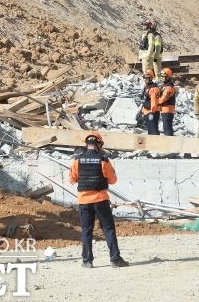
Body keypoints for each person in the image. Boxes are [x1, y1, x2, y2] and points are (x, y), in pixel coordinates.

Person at [69, 132, 129, 268]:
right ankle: (115, 259)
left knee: (86, 230)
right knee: (108, 229)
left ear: (86, 144)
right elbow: (113, 181)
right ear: (99, 144)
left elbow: (72, 179)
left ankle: (87, 261)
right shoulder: (103, 160)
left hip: (84, 200)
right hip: (100, 199)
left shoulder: (77, 160)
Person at [141, 69, 161, 135]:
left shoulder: (154, 88)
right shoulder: (146, 87)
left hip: (152, 112)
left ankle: (156, 144)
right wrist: (143, 110)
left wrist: (152, 113)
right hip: (147, 111)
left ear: (150, 78)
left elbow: (154, 102)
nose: (144, 80)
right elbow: (145, 99)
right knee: (150, 131)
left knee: (153, 132)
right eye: (144, 78)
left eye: (146, 78)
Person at [158, 68, 176, 136]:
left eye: (163, 77)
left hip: (168, 110)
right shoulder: (164, 86)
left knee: (167, 128)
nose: (162, 78)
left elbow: (163, 99)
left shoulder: (169, 87)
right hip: (164, 109)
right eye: (161, 77)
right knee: (166, 127)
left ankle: (170, 143)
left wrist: (156, 101)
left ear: (168, 77)